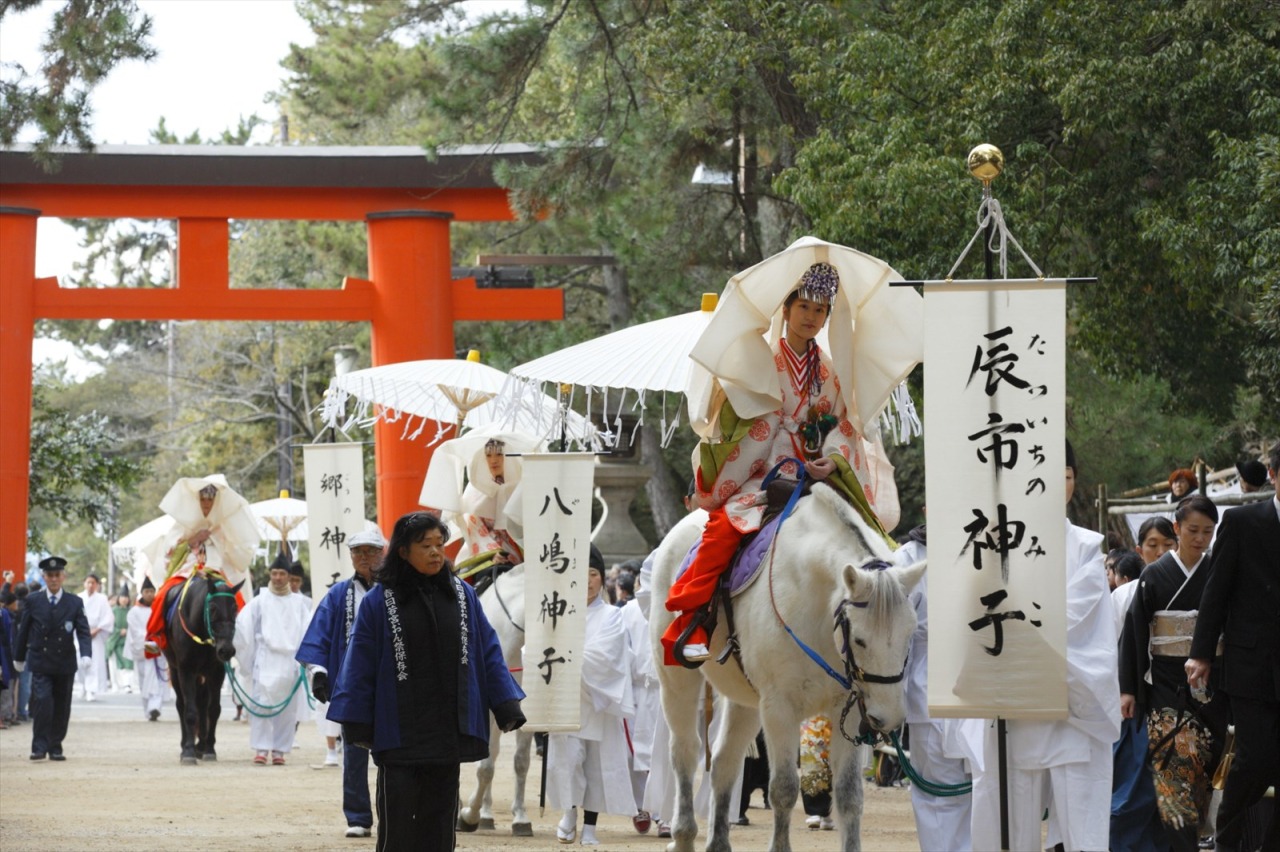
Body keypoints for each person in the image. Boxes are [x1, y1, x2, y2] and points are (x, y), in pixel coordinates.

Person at [663, 262, 898, 664]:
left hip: (818, 473)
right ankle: (694, 620)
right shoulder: (760, 361)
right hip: (763, 471)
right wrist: (775, 436)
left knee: (868, 538)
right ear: (785, 310)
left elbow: (843, 424)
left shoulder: (831, 372)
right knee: (723, 532)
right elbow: (748, 425)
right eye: (803, 307)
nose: (811, 317)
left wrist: (832, 457)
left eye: (820, 311)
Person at [327, 512, 525, 851]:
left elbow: (488, 651)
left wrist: (505, 703)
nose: (436, 552)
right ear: (403, 552)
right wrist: (356, 720)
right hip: (398, 730)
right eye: (426, 546)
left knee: (440, 820)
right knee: (399, 821)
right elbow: (358, 663)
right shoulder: (379, 600)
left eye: (439, 545)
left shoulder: (463, 596)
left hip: (447, 730)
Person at [970, 441, 1120, 852]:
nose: (1058, 484)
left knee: (1081, 829)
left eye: (1066, 475)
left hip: (1073, 707)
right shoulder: (995, 542)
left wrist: (1016, 629)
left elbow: (1070, 617)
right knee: (1009, 822)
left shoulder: (1087, 547)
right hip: (1016, 705)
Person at [1120, 494, 1227, 852]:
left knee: (1201, 779)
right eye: (1193, 530)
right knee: (1173, 777)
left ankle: (1193, 840)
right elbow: (1135, 635)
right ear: (1177, 528)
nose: (1200, 538)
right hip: (1166, 688)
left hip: (1212, 688)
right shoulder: (1153, 575)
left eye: (1208, 532)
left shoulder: (1218, 571)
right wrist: (1130, 689)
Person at [1186, 441, 1279, 852]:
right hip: (1252, 662)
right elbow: (1216, 591)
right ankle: (1228, 832)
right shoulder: (1243, 522)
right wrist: (1201, 653)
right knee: (1256, 758)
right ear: (1274, 475)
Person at [296, 526, 386, 839]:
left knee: (394, 754)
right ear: (350, 556)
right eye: (358, 551)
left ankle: (391, 815)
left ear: (383, 553)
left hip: (391, 682)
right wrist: (319, 671)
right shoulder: (338, 595)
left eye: (371, 551)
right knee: (355, 753)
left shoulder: (397, 592)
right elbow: (318, 635)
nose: (364, 557)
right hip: (353, 684)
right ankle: (359, 816)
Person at [549, 545, 635, 846]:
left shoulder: (612, 615)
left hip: (597, 699)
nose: (587, 580)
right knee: (568, 760)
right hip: (566, 699)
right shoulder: (556, 611)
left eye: (594, 573)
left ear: (602, 579)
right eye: (581, 573)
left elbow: (607, 657)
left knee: (597, 765)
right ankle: (569, 811)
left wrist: (567, 656)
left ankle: (590, 827)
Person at [896, 522, 973, 850]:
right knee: (937, 792)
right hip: (928, 684)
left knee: (987, 789)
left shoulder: (993, 546)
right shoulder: (906, 558)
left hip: (987, 681)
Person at [144, 476, 259, 657]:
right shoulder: (183, 523)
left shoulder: (223, 524)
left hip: (215, 568)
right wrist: (192, 539)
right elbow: (169, 550)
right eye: (203, 499)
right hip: (189, 569)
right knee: (165, 593)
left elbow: (234, 550)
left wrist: (217, 539)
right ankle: (155, 636)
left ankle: (241, 639)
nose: (206, 503)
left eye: (210, 499)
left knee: (235, 597)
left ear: (216, 501)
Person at [233, 551, 313, 766]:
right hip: (266, 659)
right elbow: (243, 628)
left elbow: (309, 631)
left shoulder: (300, 603)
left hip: (290, 662)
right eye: (274, 573)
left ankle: (279, 750)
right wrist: (246, 659)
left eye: (281, 574)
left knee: (288, 710)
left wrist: (305, 662)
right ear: (270, 574)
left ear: (288, 576)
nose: (277, 578)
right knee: (261, 706)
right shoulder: (259, 601)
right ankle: (261, 748)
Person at [13, 556, 92, 760]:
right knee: (42, 702)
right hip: (40, 661)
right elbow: (24, 631)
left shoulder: (75, 602)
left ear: (63, 577)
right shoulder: (33, 600)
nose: (54, 579)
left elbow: (83, 631)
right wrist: (19, 657)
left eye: (57, 575)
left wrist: (86, 653)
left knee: (62, 705)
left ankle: (55, 746)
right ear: (44, 577)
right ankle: (39, 746)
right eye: (50, 575)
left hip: (64, 662)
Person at [124, 578, 167, 721]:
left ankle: (155, 707)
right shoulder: (134, 612)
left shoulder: (159, 608)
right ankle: (148, 709)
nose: (149, 594)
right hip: (144, 647)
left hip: (157, 645)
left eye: (151, 591)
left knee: (158, 677)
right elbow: (136, 631)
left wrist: (157, 642)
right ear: (142, 593)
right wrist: (150, 642)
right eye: (147, 591)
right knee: (145, 679)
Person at [77, 574, 113, 701]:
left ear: (97, 584)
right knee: (80, 662)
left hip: (96, 633)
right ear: (84, 583)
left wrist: (97, 630)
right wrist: (83, 631)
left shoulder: (102, 599)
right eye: (88, 582)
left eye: (93, 583)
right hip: (81, 633)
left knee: (93, 662)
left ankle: (91, 689)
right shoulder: (79, 598)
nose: (90, 585)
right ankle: (83, 685)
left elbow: (108, 617)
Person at [107, 592, 133, 694]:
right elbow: (109, 625)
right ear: (118, 598)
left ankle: (127, 684)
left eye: (126, 597)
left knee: (128, 663)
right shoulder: (113, 611)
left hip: (128, 640)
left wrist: (128, 631)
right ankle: (115, 684)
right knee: (114, 664)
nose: (124, 599)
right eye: (122, 597)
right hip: (115, 641)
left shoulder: (131, 611)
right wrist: (118, 631)